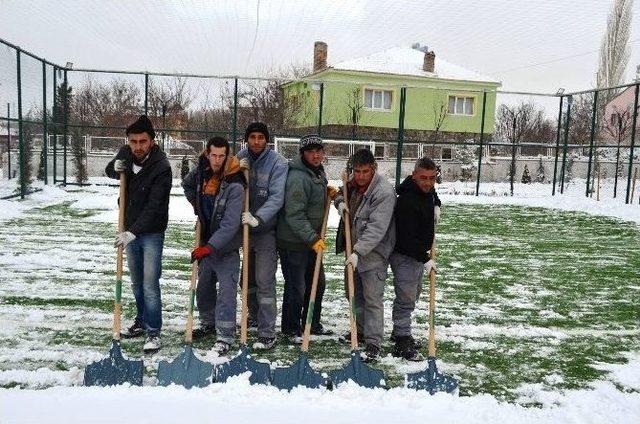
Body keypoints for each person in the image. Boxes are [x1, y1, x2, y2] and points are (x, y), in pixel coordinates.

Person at [105, 115, 172, 353]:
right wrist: (114, 167)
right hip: (129, 227)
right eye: (133, 141)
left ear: (152, 141)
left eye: (142, 141)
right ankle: (141, 321)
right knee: (136, 283)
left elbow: (155, 207)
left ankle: (154, 331)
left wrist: (133, 232)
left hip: (151, 232)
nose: (138, 146)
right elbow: (111, 171)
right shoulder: (125, 152)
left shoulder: (162, 167)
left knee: (150, 284)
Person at [182, 136, 245, 355]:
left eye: (221, 156)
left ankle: (225, 335)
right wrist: (196, 204)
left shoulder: (235, 183)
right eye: (213, 155)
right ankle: (208, 323)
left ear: (227, 156)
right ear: (207, 154)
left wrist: (209, 248)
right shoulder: (201, 172)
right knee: (205, 287)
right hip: (205, 239)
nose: (217, 160)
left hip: (225, 247)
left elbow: (229, 226)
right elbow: (187, 184)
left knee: (227, 291)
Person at [334, 148, 396, 362]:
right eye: (356, 171)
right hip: (353, 252)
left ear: (374, 169)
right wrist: (340, 202)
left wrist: (358, 252)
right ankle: (359, 331)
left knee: (372, 299)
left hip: (373, 254)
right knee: (354, 294)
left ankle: (373, 342)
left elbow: (376, 230)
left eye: (364, 172)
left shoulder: (384, 193)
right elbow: (341, 191)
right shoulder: (353, 182)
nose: (359, 176)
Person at [277, 134, 336, 343]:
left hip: (311, 241)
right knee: (297, 287)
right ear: (303, 153)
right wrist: (313, 238)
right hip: (293, 242)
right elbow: (294, 215)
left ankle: (311, 323)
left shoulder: (317, 173)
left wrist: (326, 194)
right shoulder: (298, 177)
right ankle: (291, 327)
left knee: (317, 284)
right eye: (311, 151)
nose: (316, 155)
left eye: (319, 151)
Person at [235, 122, 287, 350]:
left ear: (267, 139)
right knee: (246, 280)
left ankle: (267, 331)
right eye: (252, 137)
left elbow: (276, 197)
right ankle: (253, 317)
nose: (256, 141)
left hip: (265, 231)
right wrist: (236, 171)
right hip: (244, 230)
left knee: (265, 281)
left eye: (260, 137)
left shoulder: (278, 162)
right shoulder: (240, 157)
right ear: (247, 139)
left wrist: (259, 218)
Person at [389, 156, 441, 361]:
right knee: (406, 298)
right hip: (405, 254)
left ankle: (398, 330)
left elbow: (432, 193)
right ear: (413, 176)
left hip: (418, 255)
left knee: (414, 293)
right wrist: (425, 258)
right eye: (423, 178)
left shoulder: (426, 192)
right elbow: (407, 238)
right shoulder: (407, 201)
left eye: (432, 178)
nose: (428, 183)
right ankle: (402, 339)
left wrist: (436, 204)